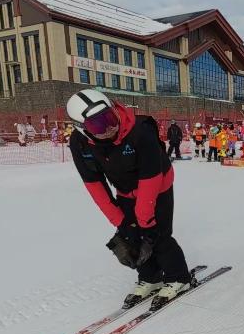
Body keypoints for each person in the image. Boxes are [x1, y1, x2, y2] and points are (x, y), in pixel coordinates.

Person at [66, 89, 192, 309]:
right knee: (131, 236)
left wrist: (146, 220)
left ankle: (178, 277)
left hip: (157, 185)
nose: (109, 127)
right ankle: (151, 277)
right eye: (98, 126)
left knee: (157, 234)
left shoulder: (141, 131)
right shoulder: (79, 143)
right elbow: (94, 184)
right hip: (125, 190)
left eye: (109, 118)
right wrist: (121, 222)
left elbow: (150, 177)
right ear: (82, 129)